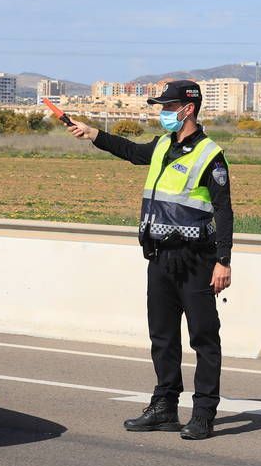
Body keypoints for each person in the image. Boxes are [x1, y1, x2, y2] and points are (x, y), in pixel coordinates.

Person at [66, 80, 232, 440]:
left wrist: (223, 260)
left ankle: (203, 413)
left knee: (204, 338)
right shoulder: (160, 147)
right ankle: (164, 407)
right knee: (163, 337)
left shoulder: (209, 155)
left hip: (195, 261)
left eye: (168, 108)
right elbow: (129, 151)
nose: (163, 114)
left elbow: (224, 210)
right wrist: (94, 134)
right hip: (159, 257)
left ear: (188, 110)